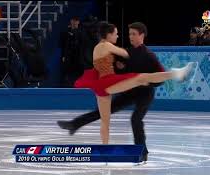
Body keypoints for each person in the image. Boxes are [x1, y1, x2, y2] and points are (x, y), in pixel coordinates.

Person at [66, 22, 196, 146]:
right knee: (142, 78)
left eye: (133, 34)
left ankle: (106, 149)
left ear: (142, 35)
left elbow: (118, 60)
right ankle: (176, 74)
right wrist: (124, 63)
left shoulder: (148, 55)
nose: (124, 36)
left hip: (129, 90)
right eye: (118, 34)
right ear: (109, 34)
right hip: (114, 84)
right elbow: (125, 54)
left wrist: (123, 65)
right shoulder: (108, 46)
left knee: (112, 120)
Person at [59, 16, 83, 87]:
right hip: (68, 56)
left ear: (78, 22)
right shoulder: (65, 32)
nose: (74, 22)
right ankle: (66, 86)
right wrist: (63, 55)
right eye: (73, 20)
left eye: (76, 21)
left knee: (77, 73)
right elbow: (62, 45)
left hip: (78, 56)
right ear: (71, 21)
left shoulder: (81, 32)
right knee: (67, 73)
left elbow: (82, 44)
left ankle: (78, 86)